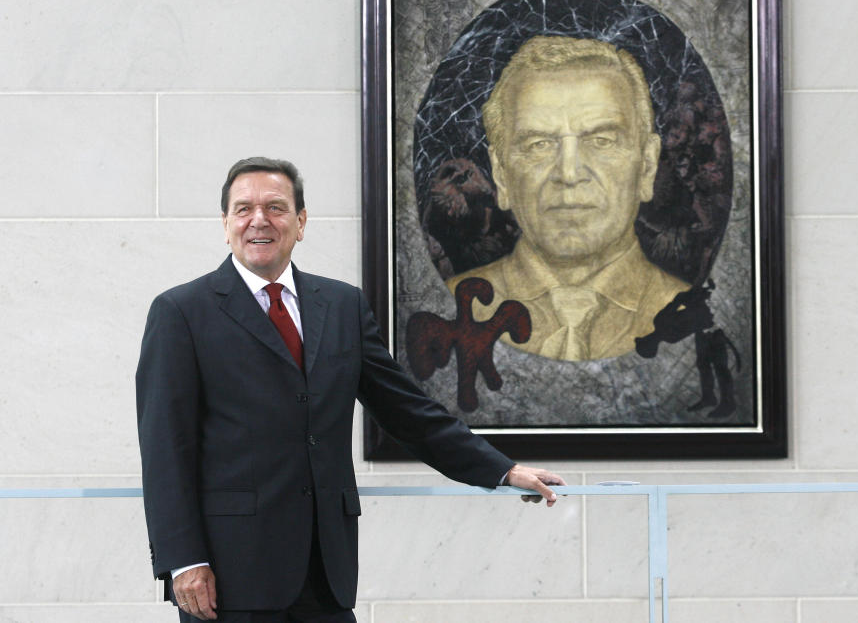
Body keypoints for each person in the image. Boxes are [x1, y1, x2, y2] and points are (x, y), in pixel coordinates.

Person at [136, 157, 565, 623]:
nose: (259, 220)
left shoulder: (341, 306)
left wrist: (502, 470)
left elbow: (406, 411)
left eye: (276, 208)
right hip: (228, 576)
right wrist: (184, 559)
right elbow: (165, 449)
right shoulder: (181, 312)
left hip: (327, 574)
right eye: (244, 209)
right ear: (225, 225)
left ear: (300, 223)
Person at [446, 36, 690, 361]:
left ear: (646, 167)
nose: (569, 173)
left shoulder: (694, 316)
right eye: (539, 144)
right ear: (502, 174)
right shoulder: (446, 310)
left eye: (601, 141)